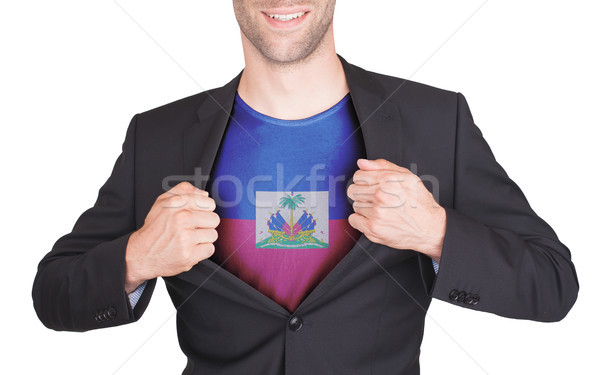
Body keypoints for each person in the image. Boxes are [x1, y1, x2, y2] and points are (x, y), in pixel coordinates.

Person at [32, 1, 579, 374]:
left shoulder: (436, 121)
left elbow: (553, 283)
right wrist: (137, 257)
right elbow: (53, 294)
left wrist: (437, 232)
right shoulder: (158, 136)